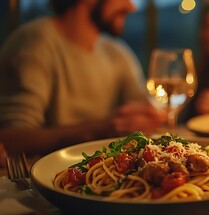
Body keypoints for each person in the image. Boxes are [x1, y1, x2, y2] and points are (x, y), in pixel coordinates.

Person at [0, 0, 165, 155]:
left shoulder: (117, 52)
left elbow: (147, 109)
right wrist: (100, 130)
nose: (131, 7)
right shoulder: (34, 43)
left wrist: (151, 116)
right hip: (44, 180)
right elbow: (10, 139)